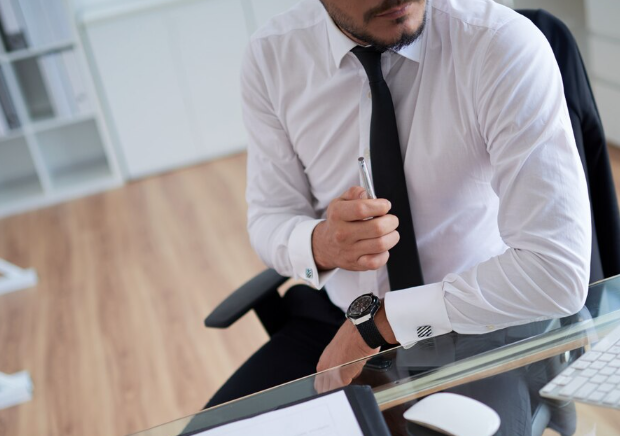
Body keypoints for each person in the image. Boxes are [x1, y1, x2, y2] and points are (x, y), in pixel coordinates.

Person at [205, 0, 591, 408]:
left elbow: (556, 271)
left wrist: (380, 323)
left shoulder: (498, 45)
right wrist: (323, 244)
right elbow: (269, 217)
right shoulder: (273, 57)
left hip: (480, 319)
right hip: (338, 317)